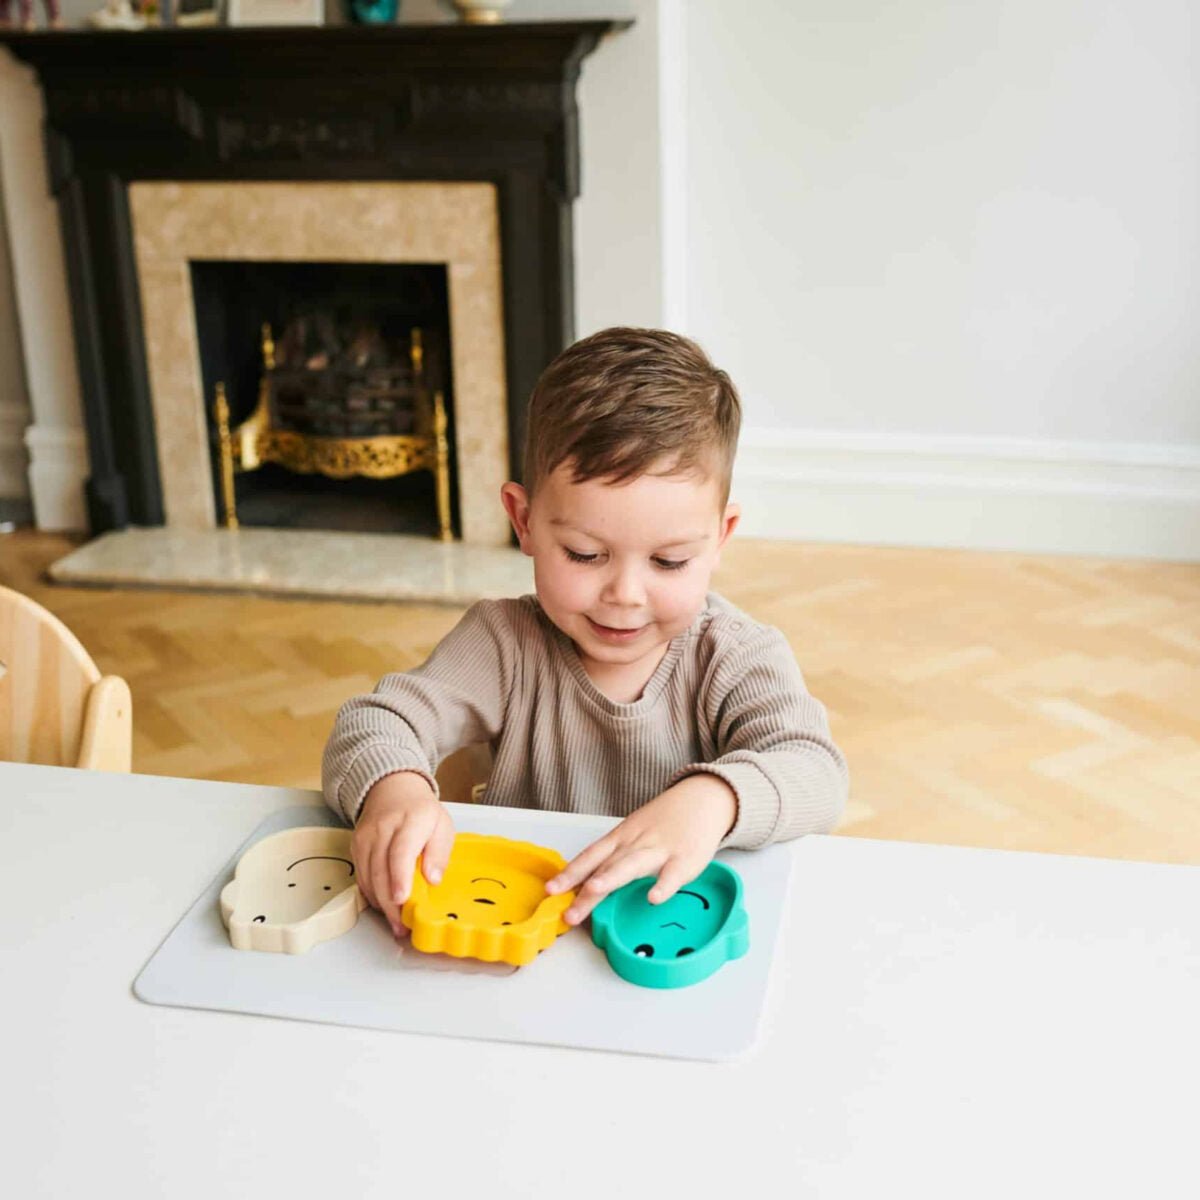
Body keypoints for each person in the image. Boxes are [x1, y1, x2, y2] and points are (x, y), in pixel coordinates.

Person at [322, 326, 848, 939]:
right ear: (524, 522)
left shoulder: (735, 655)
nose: (624, 594)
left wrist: (715, 800)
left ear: (720, 538)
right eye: (583, 554)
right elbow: (373, 721)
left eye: (669, 562)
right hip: (516, 928)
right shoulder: (503, 642)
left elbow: (816, 773)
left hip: (664, 930)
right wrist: (393, 790)